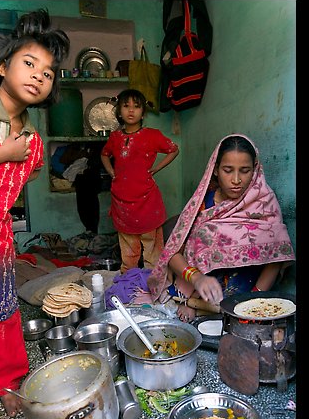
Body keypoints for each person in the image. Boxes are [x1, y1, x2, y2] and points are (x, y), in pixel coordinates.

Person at [0, 9, 70, 416]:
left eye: (48, 73)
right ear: (3, 66)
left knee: (4, 311)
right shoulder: (9, 140)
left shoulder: (34, 142)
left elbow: (29, 174)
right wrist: (1, 154)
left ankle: (8, 381)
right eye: (29, 63)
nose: (39, 76)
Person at [147, 133, 295, 322]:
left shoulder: (265, 202)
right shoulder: (202, 204)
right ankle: (192, 301)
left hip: (246, 288)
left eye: (245, 170)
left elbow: (277, 253)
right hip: (201, 289)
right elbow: (173, 253)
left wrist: (253, 301)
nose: (236, 179)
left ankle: (216, 308)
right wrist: (196, 279)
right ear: (215, 170)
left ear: (255, 170)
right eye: (227, 170)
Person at [101, 89, 179, 273]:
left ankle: (155, 283)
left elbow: (173, 149)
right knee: (128, 250)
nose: (131, 111)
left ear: (143, 112)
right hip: (122, 200)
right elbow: (104, 155)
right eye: (126, 106)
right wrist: (112, 172)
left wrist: (156, 169)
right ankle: (129, 282)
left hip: (146, 200)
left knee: (153, 248)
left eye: (136, 107)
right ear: (119, 111)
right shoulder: (115, 138)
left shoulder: (152, 135)